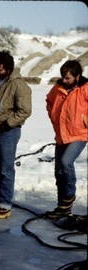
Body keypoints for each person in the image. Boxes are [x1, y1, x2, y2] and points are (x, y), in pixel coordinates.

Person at [0, 50, 32, 219]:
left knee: (6, 168)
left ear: (8, 68)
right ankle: (0, 199)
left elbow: (25, 110)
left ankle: (5, 202)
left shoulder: (19, 85)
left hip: (8, 131)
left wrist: (8, 124)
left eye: (0, 69)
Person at [45, 59, 87, 218]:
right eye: (63, 77)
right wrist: (53, 116)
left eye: (68, 78)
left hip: (80, 134)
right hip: (62, 133)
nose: (65, 80)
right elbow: (49, 101)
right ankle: (62, 207)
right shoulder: (57, 88)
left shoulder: (85, 89)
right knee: (59, 171)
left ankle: (69, 196)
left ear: (77, 76)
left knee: (66, 162)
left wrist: (85, 120)